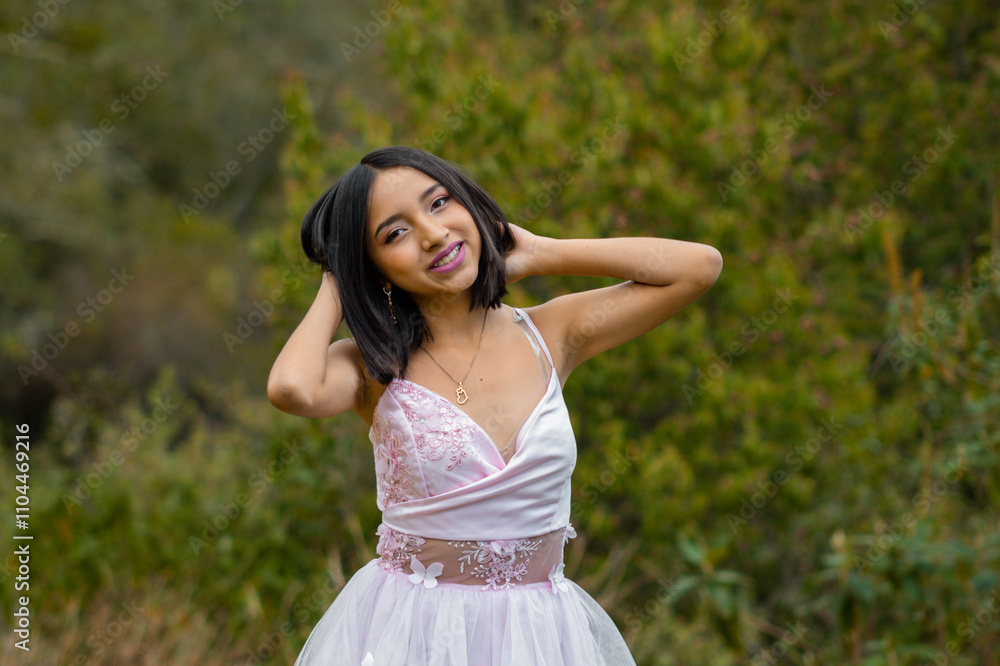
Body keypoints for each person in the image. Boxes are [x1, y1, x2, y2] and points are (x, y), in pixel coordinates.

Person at [267, 146, 723, 665]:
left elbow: (698, 267)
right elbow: (291, 389)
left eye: (439, 203)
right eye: (394, 234)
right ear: (374, 266)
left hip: (540, 637)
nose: (433, 233)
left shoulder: (554, 333)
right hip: (416, 636)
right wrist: (338, 278)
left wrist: (544, 254)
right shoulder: (373, 368)